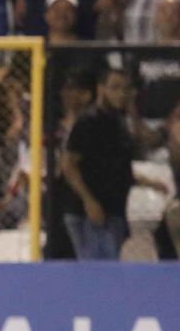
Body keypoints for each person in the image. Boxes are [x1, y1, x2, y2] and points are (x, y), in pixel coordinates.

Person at [61, 66, 151, 259]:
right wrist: (89, 201)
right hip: (90, 212)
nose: (122, 94)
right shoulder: (89, 120)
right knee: (98, 273)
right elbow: (68, 164)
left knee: (109, 269)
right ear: (101, 89)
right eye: (115, 87)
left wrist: (146, 182)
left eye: (126, 89)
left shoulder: (119, 121)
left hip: (113, 208)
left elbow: (112, 164)